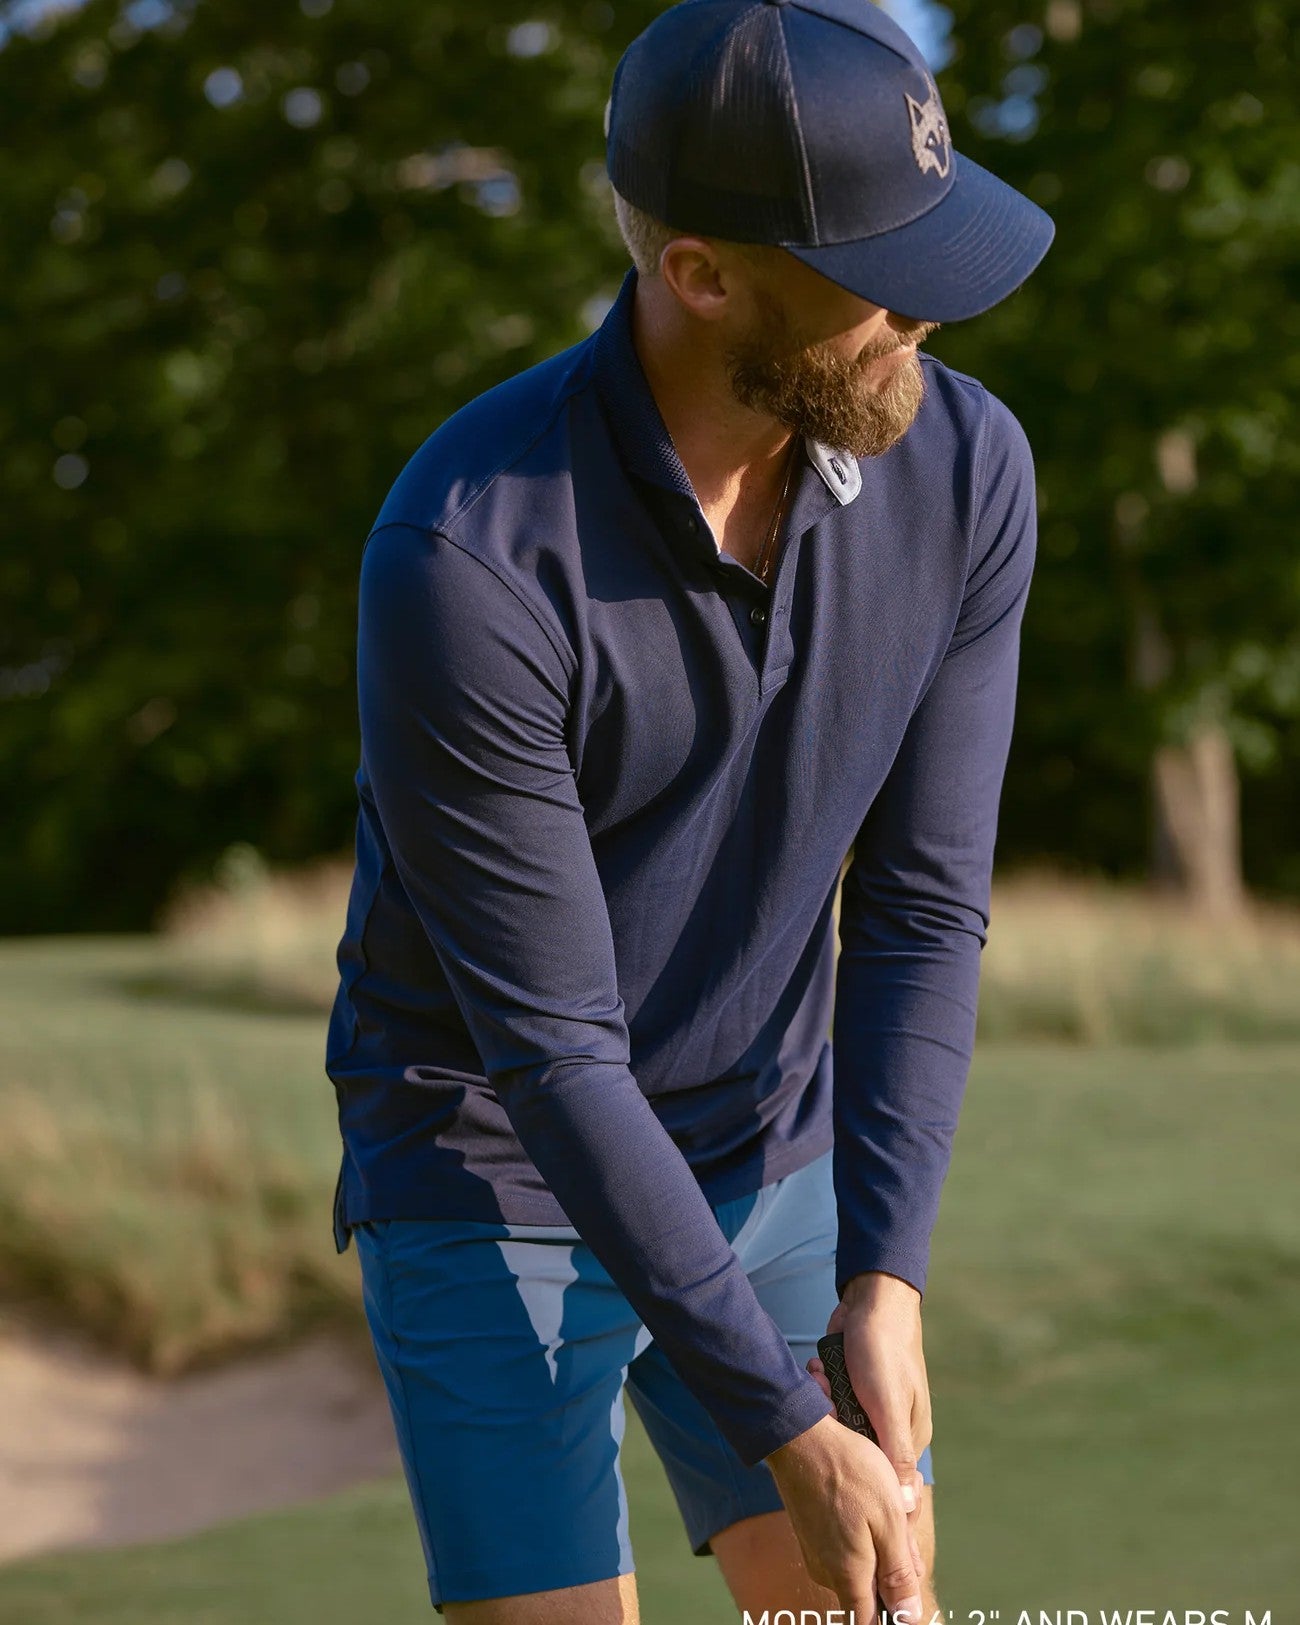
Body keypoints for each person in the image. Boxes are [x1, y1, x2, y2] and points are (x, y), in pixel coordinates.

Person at [326, 1, 1054, 1619]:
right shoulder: (466, 556)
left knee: (876, 1606)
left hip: (767, 1140)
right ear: (703, 274)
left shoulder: (969, 471)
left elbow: (924, 906)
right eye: (882, 273)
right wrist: (783, 1418)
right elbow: (555, 1053)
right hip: (496, 1166)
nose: (930, 315)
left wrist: (886, 1272)